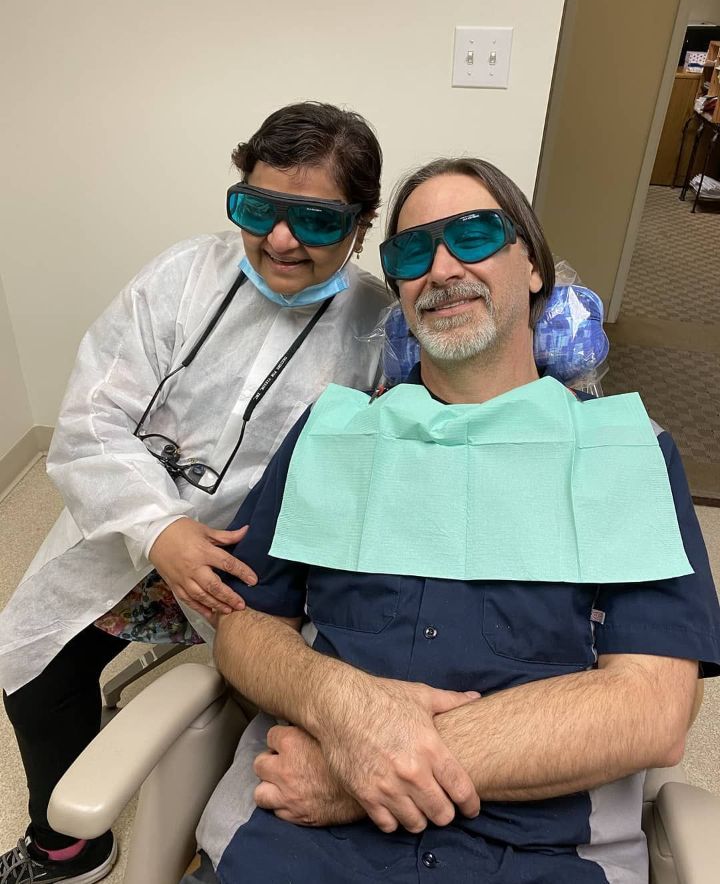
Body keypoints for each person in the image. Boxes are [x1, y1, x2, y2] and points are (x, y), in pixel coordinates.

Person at [184, 158, 720, 884]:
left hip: (534, 856)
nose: (440, 268)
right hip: (295, 851)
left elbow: (652, 706)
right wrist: (339, 703)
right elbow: (246, 624)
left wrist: (359, 767)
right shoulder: (337, 434)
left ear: (532, 267)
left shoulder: (624, 452)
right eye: (412, 251)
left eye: (472, 236)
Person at [0, 102, 391, 884]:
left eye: (314, 220)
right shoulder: (182, 276)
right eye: (258, 208)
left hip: (261, 577)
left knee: (260, 736)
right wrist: (159, 529)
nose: (279, 240)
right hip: (132, 539)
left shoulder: (380, 327)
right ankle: (70, 844)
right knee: (35, 669)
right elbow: (90, 417)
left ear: (363, 221)